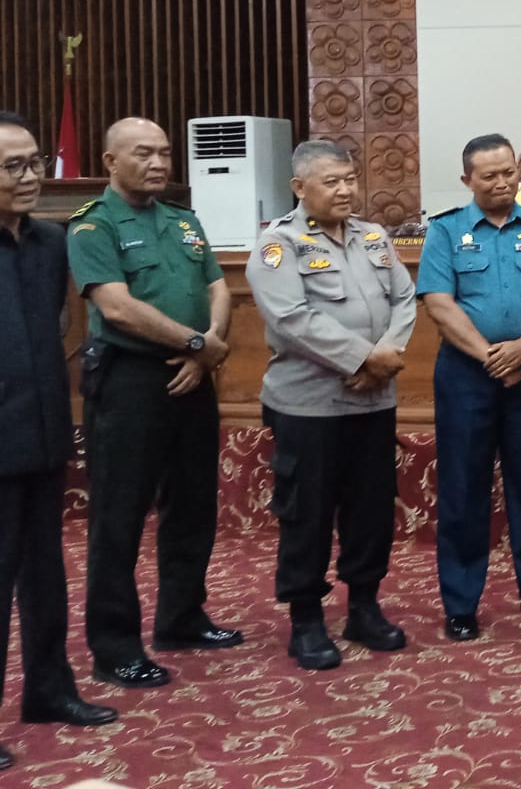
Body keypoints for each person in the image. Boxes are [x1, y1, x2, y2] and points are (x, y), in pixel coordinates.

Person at [66, 118, 240, 689]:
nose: (159, 163)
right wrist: (195, 344)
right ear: (110, 162)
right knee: (118, 517)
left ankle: (181, 618)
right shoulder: (93, 225)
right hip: (129, 380)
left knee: (192, 504)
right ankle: (114, 647)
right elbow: (116, 307)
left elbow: (217, 287)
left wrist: (206, 349)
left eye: (164, 153)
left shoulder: (183, 220)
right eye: (144, 153)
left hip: (195, 374)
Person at [246, 140, 416, 670]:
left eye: (349, 179)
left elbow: (404, 299)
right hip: (310, 404)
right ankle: (306, 619)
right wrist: (362, 357)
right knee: (308, 512)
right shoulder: (279, 244)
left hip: (373, 401)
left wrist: (386, 356)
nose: (345, 190)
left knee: (371, 509)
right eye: (331, 182)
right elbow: (290, 318)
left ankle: (364, 606)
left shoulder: (373, 236)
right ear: (299, 187)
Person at [418, 135, 521, 641]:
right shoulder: (445, 230)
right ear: (467, 180)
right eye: (490, 175)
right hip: (466, 374)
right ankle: (461, 603)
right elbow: (438, 303)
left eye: (509, 172)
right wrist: (493, 358)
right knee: (463, 488)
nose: (502, 182)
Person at [0, 112, 117, 771]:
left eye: (34, 162)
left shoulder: (50, 242)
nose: (30, 177)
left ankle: (48, 690)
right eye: (12, 166)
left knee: (45, 575)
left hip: (44, 433)